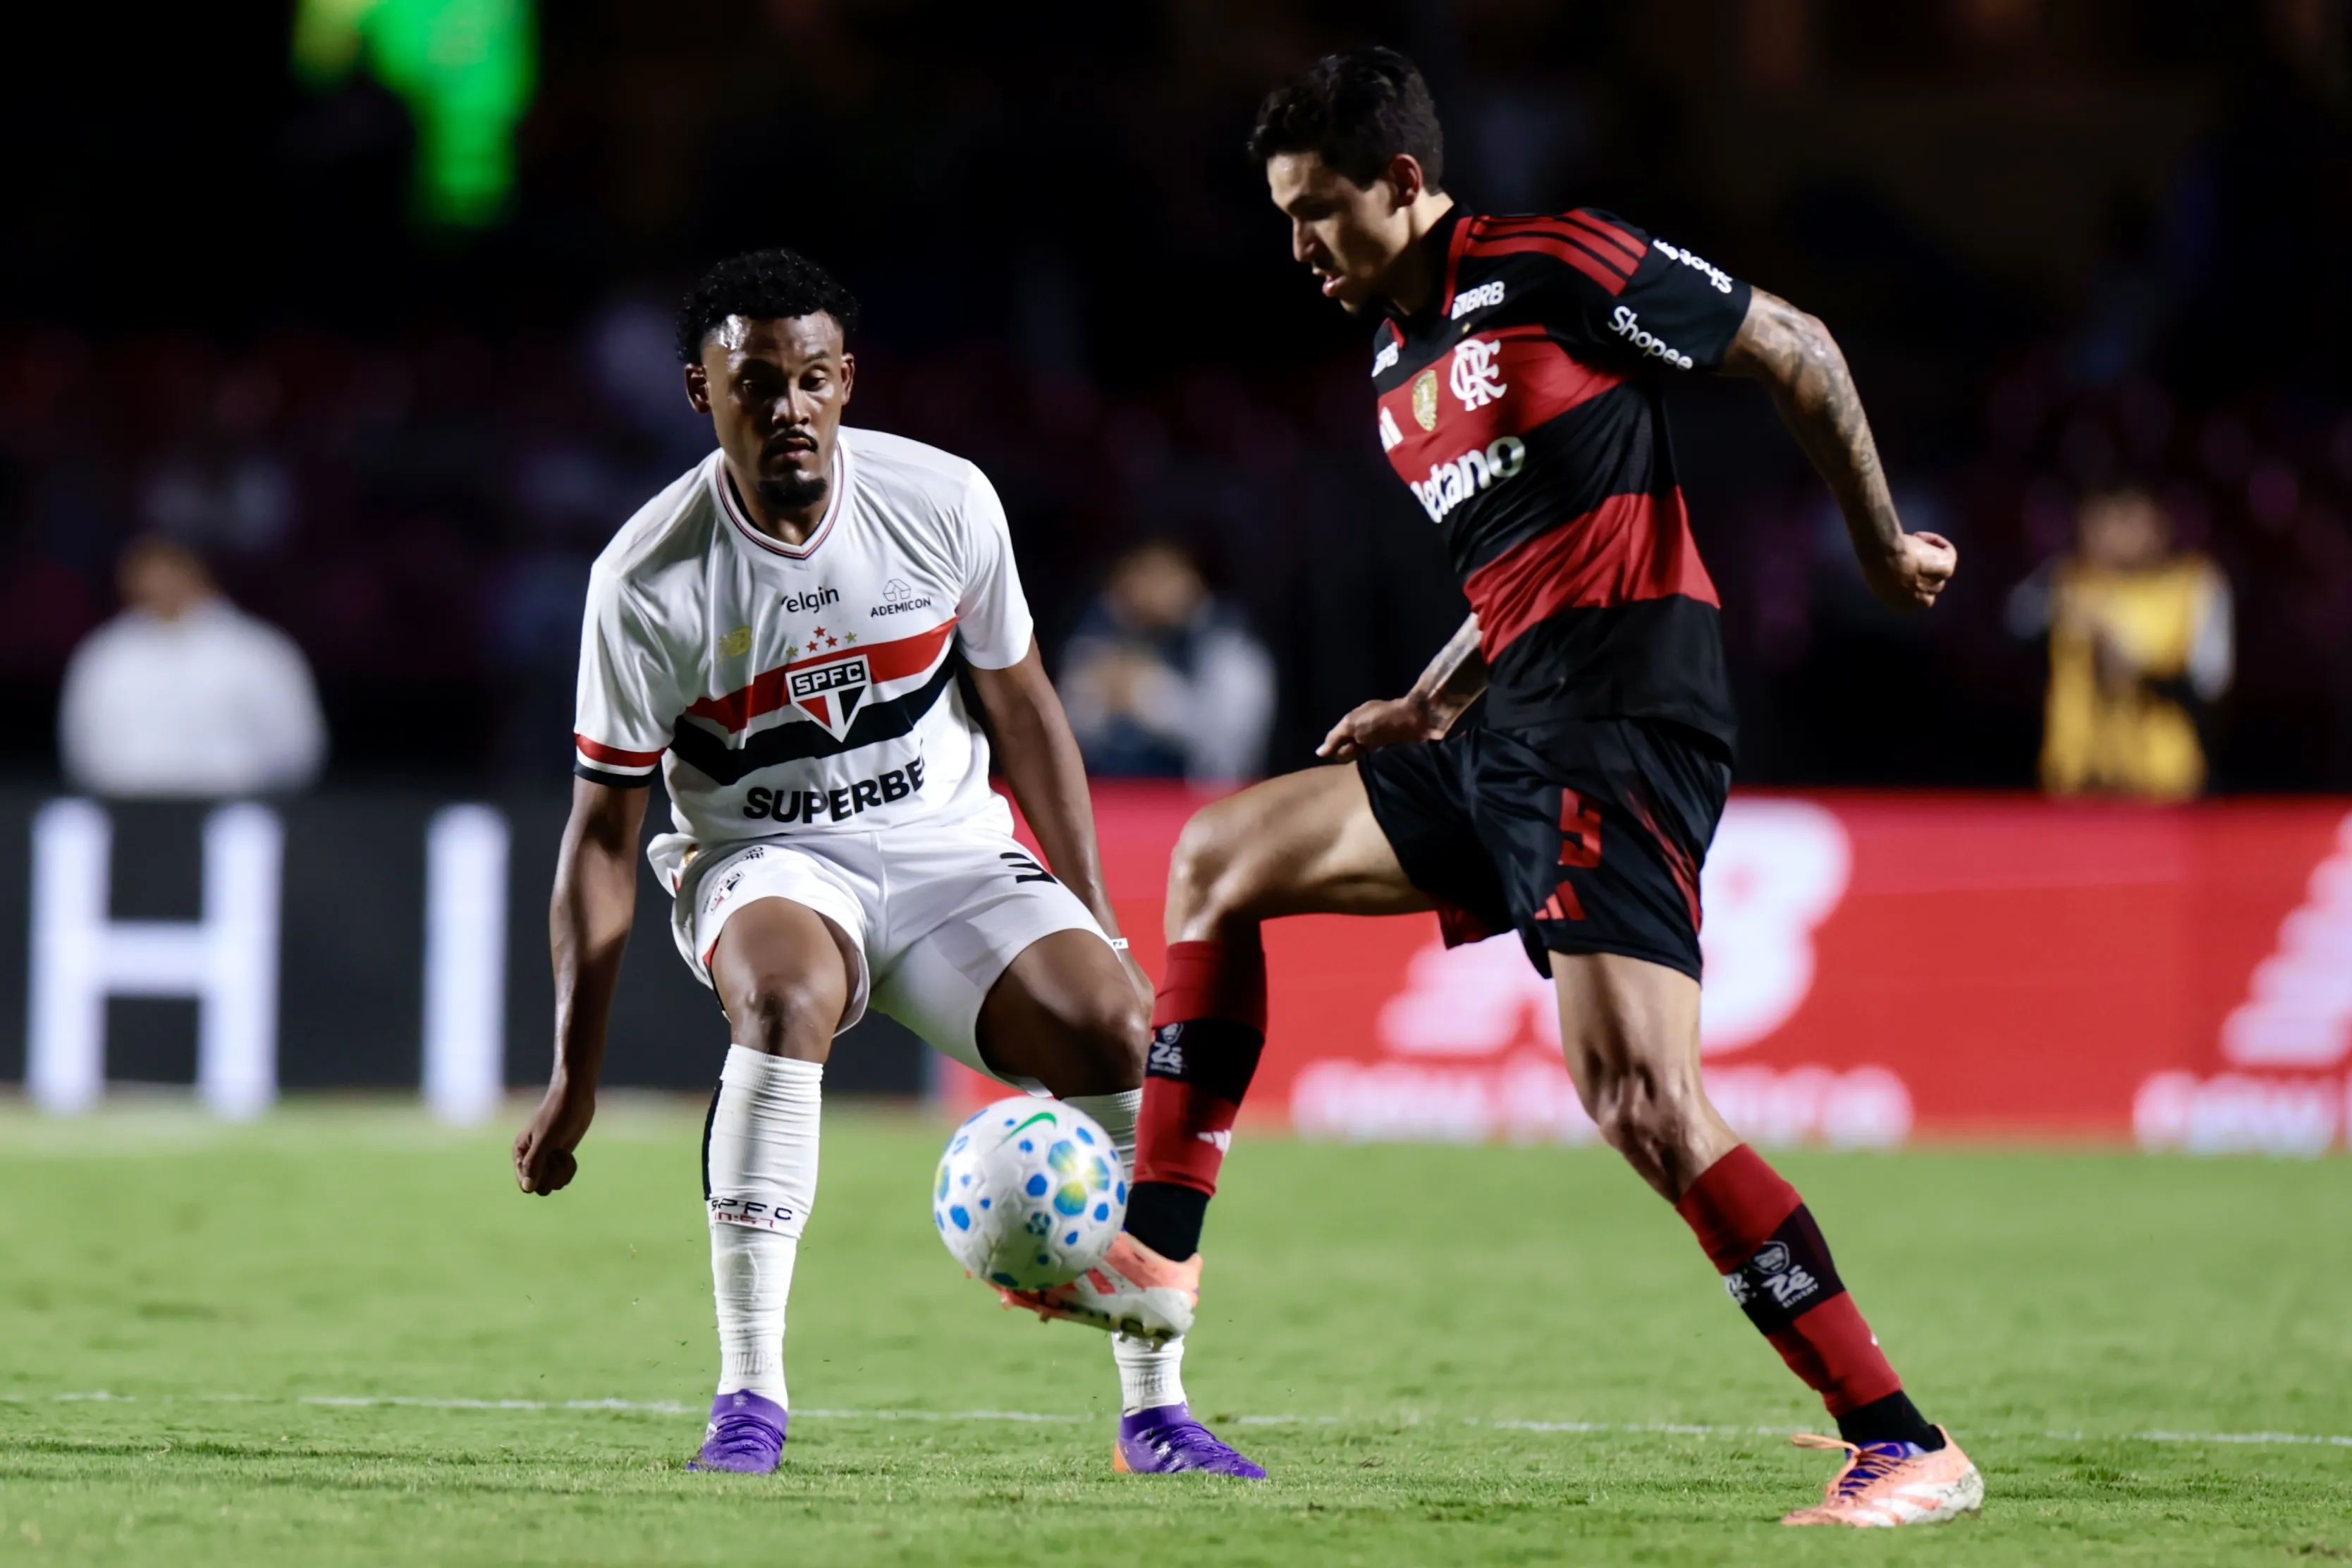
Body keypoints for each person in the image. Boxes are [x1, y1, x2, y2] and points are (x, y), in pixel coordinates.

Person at [1004, 49, 1983, 1526]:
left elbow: (1798, 345)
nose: (1300, 250)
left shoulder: (1554, 262)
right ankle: (1156, 1246)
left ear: (1404, 181)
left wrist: (1878, 542)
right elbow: (1530, 542)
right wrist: (1432, 698)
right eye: (1284, 218)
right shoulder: (1393, 372)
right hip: (1508, 723)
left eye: (1322, 212)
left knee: (1645, 1096)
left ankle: (1903, 1436)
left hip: (1623, 717)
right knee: (1220, 853)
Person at [508, 249, 1263, 1477]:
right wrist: (571, 1075)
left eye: (812, 378)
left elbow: (1025, 712)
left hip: (949, 848)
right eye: (756, 382)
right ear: (702, 392)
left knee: (1122, 1031)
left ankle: (1156, 1411)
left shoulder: (942, 500)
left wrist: (1095, 918)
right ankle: (748, 1397)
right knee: (786, 993)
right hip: (764, 854)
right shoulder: (645, 579)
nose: (788, 407)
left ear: (847, 381)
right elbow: (601, 834)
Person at [2007, 482, 2231, 800]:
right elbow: (2013, 625)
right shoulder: (2067, 581)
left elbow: (2209, 685)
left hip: (2163, 785)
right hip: (2077, 784)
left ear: (2158, 525)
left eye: (2127, 520)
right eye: (2103, 520)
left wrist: (2124, 648)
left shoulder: (2193, 584)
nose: (2113, 533)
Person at [58, 534, 326, 797]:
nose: (154, 581)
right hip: (127, 817)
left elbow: (297, 749)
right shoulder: (106, 654)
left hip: (233, 813)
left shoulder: (258, 652)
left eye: (167, 567)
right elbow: (79, 747)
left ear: (197, 569)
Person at [1059, 539, 1276, 784]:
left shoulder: (1229, 642)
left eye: (1160, 575)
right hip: (1112, 796)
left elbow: (1233, 747)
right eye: (1136, 575)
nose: (1147, 590)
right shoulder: (1100, 634)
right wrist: (1097, 697)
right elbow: (1067, 732)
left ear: (1191, 579)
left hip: (1197, 801)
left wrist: (1152, 695)